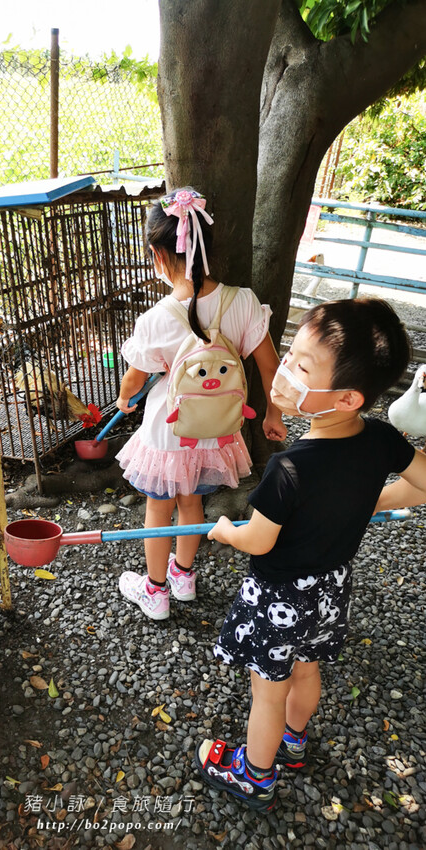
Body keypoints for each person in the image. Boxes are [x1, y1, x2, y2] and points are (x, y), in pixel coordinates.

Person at [194, 297, 426, 813]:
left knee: (268, 691)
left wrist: (227, 530)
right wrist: (367, 504)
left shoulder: (290, 469)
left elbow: (259, 540)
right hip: (329, 591)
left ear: (346, 398)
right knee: (306, 669)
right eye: (290, 352)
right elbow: (424, 485)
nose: (283, 372)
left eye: (301, 366)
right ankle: (293, 746)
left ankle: (254, 776)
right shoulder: (383, 440)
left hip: (277, 594)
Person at [115, 187, 287, 621]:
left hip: (170, 429)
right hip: (217, 429)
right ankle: (184, 577)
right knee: (192, 500)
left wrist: (124, 398)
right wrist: (272, 414)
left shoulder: (155, 318)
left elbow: (135, 379)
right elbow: (271, 368)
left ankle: (154, 590)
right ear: (206, 247)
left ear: (158, 255)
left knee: (159, 506)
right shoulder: (243, 302)